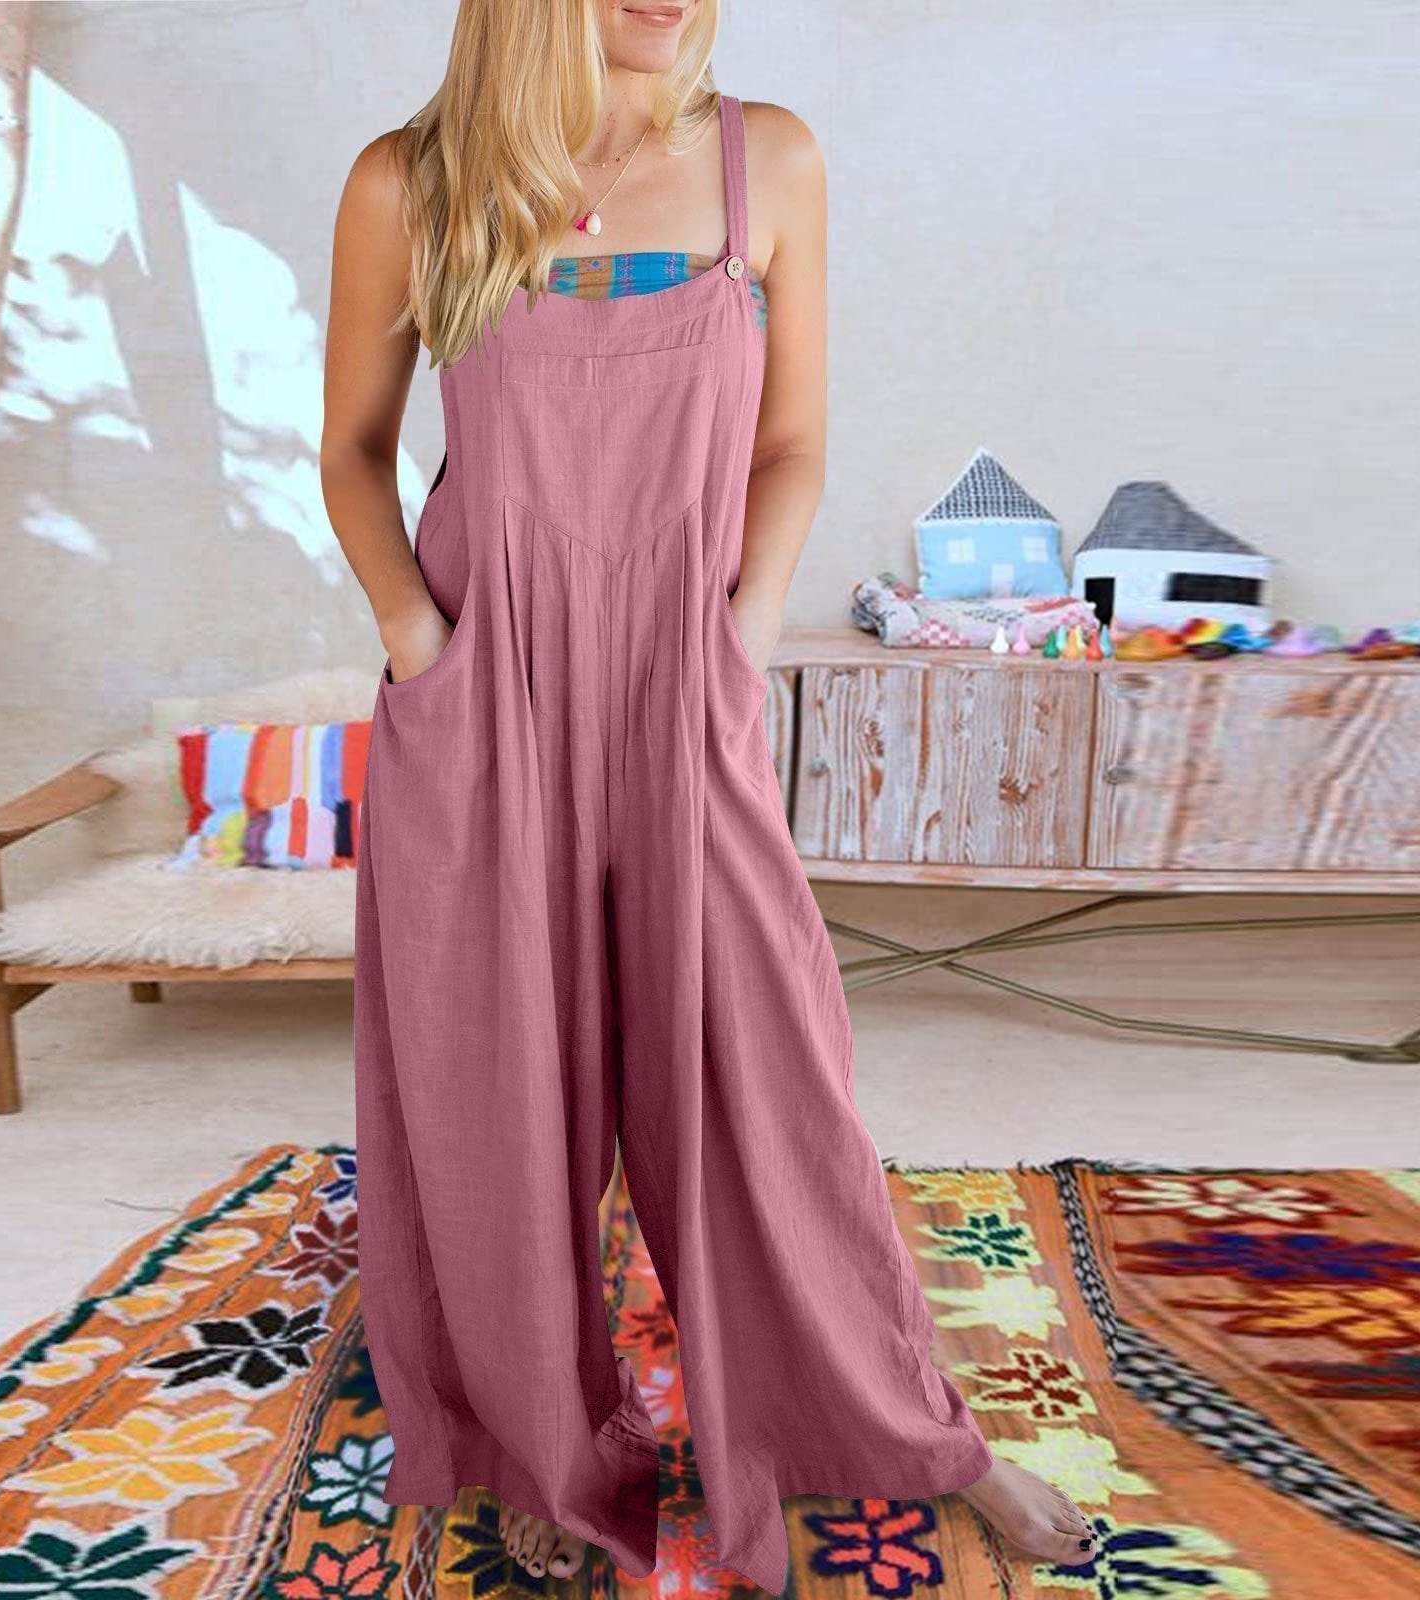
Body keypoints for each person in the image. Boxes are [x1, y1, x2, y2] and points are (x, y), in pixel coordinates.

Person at [320, 1, 1099, 1589]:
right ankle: (535, 1443)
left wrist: (740, 635)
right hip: (489, 684)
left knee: (764, 1077)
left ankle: (910, 1430)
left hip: (688, 670)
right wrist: (423, 646)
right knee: (493, 1093)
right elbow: (352, 448)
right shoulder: (412, 179)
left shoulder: (770, 163)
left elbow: (793, 442)